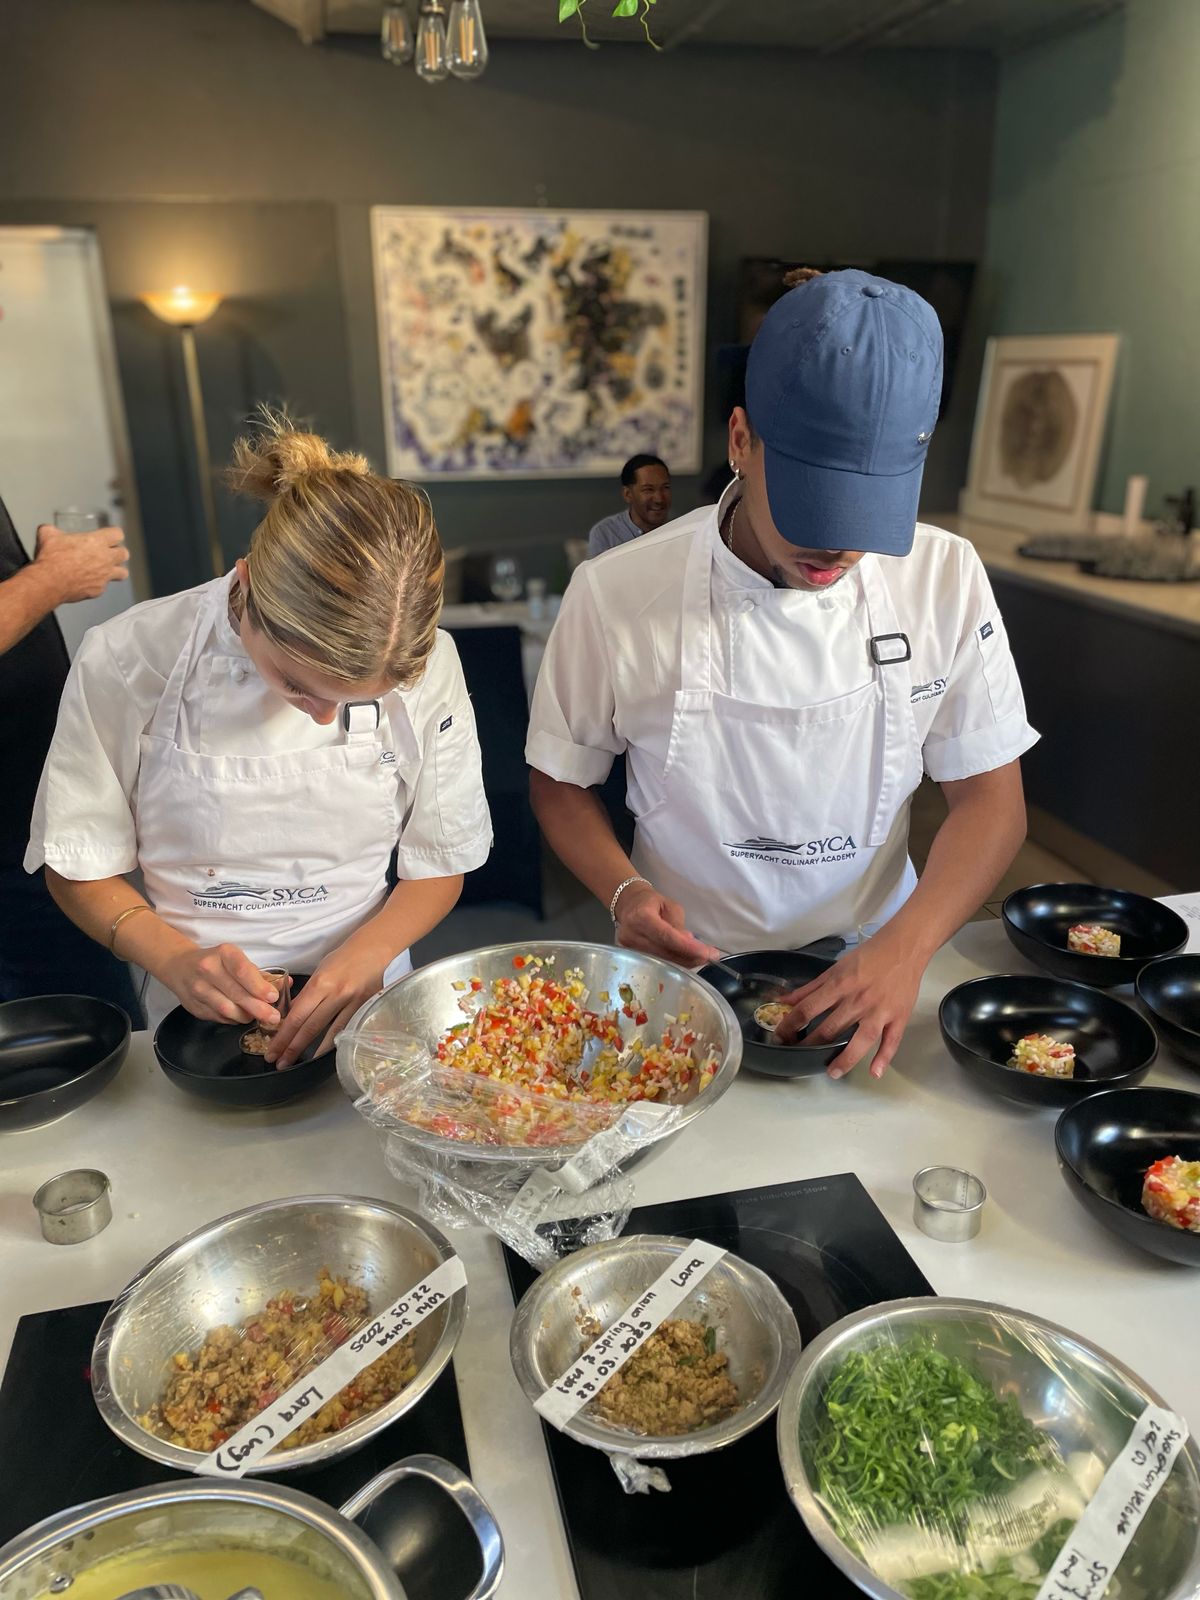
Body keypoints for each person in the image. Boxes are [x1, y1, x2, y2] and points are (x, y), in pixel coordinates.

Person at [527, 269, 1037, 1082]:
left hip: (881, 958)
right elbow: (560, 779)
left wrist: (907, 949)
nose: (836, 551)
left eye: (866, 519)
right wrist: (622, 893)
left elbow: (991, 798)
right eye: (811, 510)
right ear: (741, 440)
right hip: (690, 972)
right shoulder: (620, 590)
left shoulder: (944, 577)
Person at [27, 418, 492, 1066]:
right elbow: (77, 866)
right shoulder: (132, 657)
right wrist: (176, 960)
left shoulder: (429, 660)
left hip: (370, 997)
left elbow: (441, 857)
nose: (324, 719)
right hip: (193, 1015)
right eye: (298, 685)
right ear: (245, 585)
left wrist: (365, 955)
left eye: (355, 702)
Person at [0, 498, 143, 1019]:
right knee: (75, 1026)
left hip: (27, 791)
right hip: (10, 843)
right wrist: (50, 580)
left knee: (95, 1022)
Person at [586, 455, 672, 557]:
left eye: (665, 488)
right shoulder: (605, 533)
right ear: (627, 494)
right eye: (648, 489)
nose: (659, 499)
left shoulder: (681, 526)